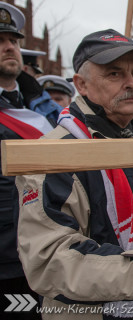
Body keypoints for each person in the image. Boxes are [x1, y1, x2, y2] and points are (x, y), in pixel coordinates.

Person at [16, 29, 133, 319]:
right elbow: (47, 261)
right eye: (115, 74)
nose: (131, 84)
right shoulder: (54, 156)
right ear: (82, 84)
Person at [0, 3, 63, 319]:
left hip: (49, 251)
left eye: (12, 39)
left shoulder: (43, 109)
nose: (9, 46)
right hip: (6, 261)